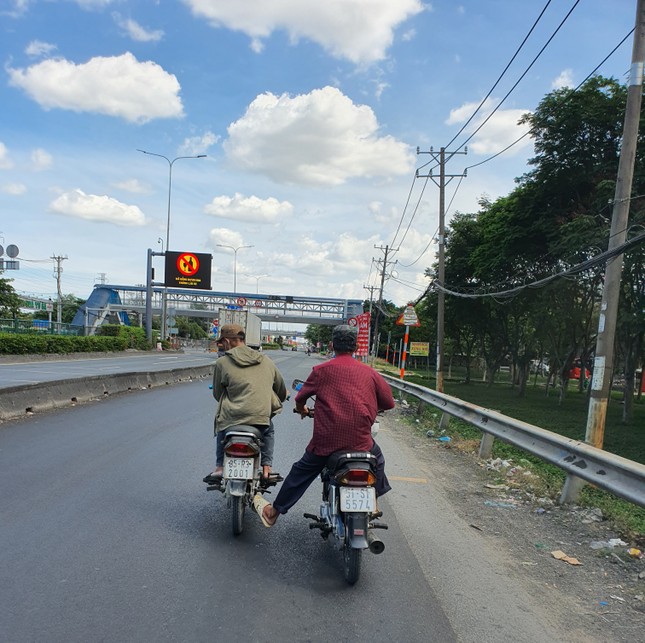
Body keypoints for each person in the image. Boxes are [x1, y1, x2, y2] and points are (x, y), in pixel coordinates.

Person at [254, 324, 395, 527]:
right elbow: (389, 403)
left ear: (331, 345)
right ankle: (374, 503)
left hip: (326, 442)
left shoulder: (321, 370)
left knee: (300, 472)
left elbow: (300, 397)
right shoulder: (370, 373)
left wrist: (302, 409)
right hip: (361, 441)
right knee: (377, 460)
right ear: (355, 347)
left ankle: (274, 512)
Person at [203, 323, 287, 487]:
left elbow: (218, 394)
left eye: (221, 342)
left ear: (227, 341)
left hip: (232, 419)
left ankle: (220, 468)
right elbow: (281, 391)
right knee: (268, 429)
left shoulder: (222, 363)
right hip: (259, 419)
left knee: (222, 426)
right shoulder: (266, 361)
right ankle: (267, 468)